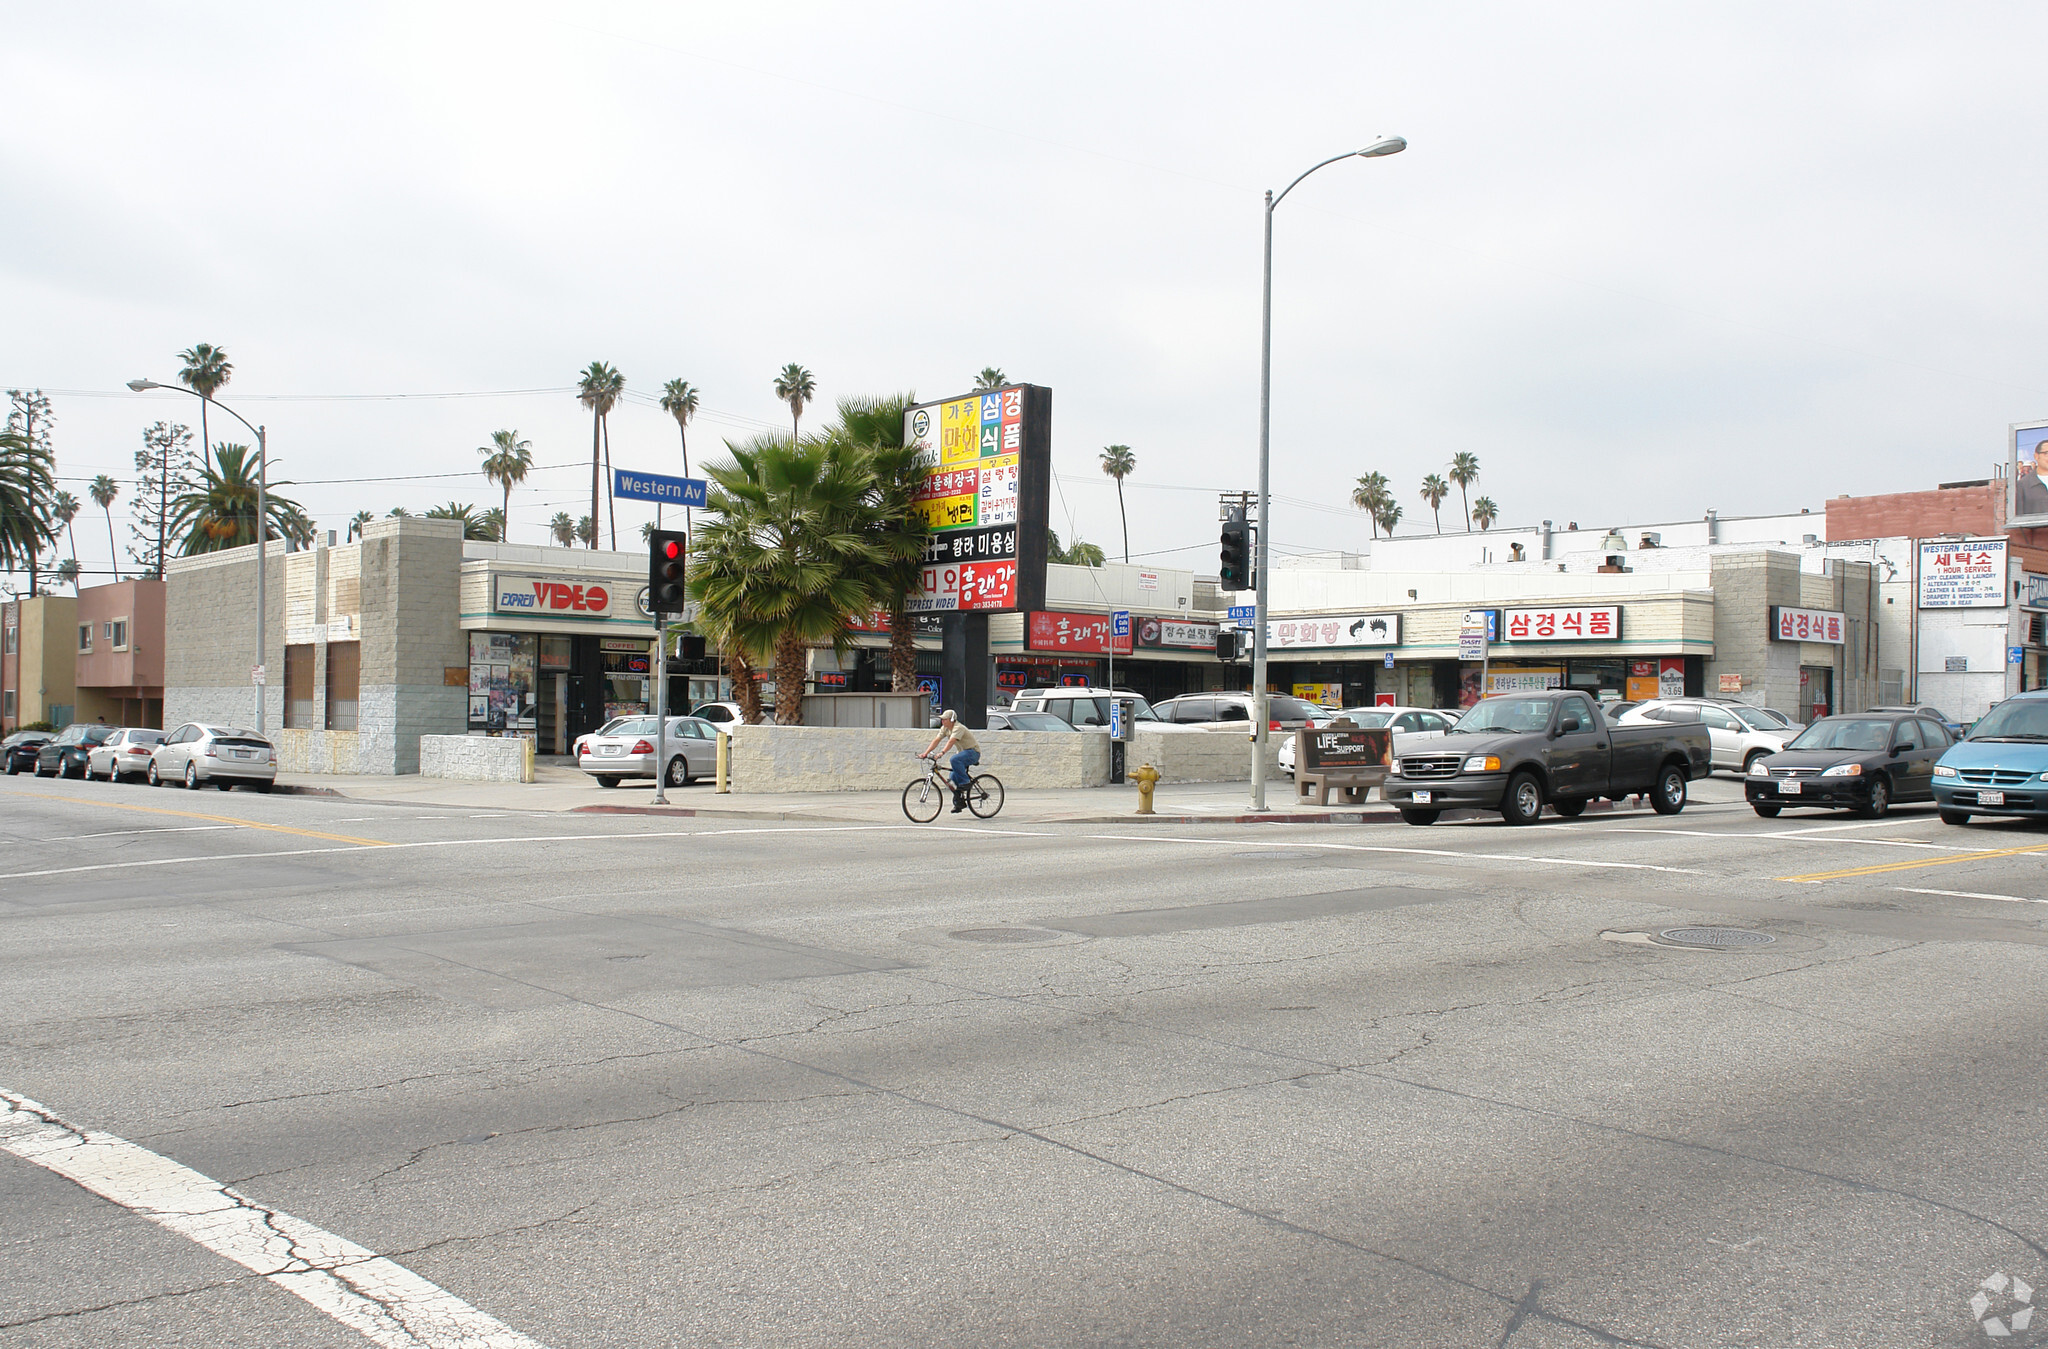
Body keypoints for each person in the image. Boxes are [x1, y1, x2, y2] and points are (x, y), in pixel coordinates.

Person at [921, 709, 981, 813]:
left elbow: (951, 741)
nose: (942, 721)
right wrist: (925, 753)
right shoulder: (945, 728)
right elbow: (936, 740)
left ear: (952, 719)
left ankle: (966, 782)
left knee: (954, 759)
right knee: (952, 777)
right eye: (942, 719)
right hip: (963, 753)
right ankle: (959, 802)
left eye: (945, 719)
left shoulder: (958, 728)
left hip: (973, 752)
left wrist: (941, 753)